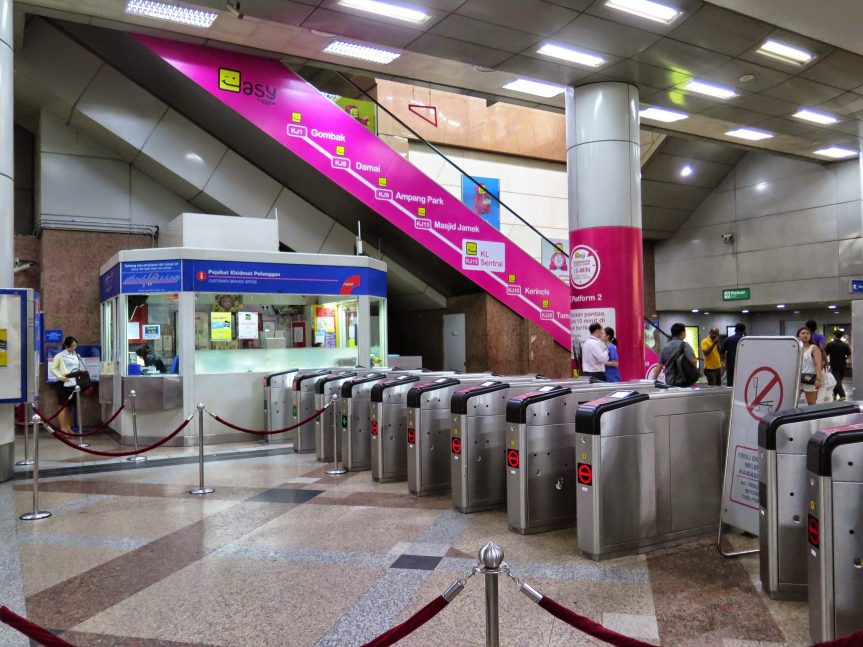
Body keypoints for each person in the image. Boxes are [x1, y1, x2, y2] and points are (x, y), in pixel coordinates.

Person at [49, 336, 82, 434]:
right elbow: (53, 369)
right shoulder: (60, 355)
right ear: (66, 346)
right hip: (63, 383)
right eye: (72, 346)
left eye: (75, 345)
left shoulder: (76, 355)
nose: (74, 348)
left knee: (69, 407)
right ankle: (63, 429)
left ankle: (68, 428)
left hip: (73, 383)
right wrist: (60, 377)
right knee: (63, 407)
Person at [654, 322, 698, 387]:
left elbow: (659, 366)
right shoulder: (685, 345)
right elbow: (693, 361)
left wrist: (653, 379)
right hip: (683, 382)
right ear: (682, 333)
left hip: (669, 382)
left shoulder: (665, 348)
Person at [797, 326, 823, 406]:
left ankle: (814, 418)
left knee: (811, 404)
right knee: (792, 403)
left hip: (809, 379)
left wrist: (818, 379)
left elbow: (818, 364)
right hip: (796, 380)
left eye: (808, 333)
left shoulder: (814, 348)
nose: (805, 335)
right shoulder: (795, 347)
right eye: (803, 333)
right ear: (798, 335)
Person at [825, 329, 851, 400]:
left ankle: (842, 395)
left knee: (837, 381)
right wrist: (845, 358)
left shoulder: (830, 344)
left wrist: (825, 363)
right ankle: (835, 393)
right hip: (843, 365)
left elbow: (825, 354)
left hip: (834, 364)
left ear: (834, 335)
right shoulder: (845, 345)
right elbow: (849, 354)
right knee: (839, 380)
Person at [720, 323, 746, 387]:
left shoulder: (728, 339)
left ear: (735, 330)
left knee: (730, 384)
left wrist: (723, 363)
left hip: (731, 365)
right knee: (741, 383)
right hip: (743, 365)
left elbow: (721, 352)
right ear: (744, 330)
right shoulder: (745, 340)